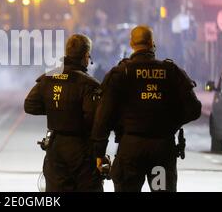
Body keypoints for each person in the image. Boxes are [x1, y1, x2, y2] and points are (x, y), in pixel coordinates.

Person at [92, 25, 201, 192]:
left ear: (131, 43)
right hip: (162, 149)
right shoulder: (170, 71)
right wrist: (171, 124)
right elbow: (194, 109)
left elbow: (103, 117)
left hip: (130, 148)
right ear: (152, 43)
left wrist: (99, 153)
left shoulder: (122, 73)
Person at [24, 34, 103, 192]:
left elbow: (30, 105)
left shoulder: (48, 77)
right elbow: (92, 118)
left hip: (55, 147)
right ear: (85, 56)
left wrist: (56, 109)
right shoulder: (88, 84)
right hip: (81, 149)